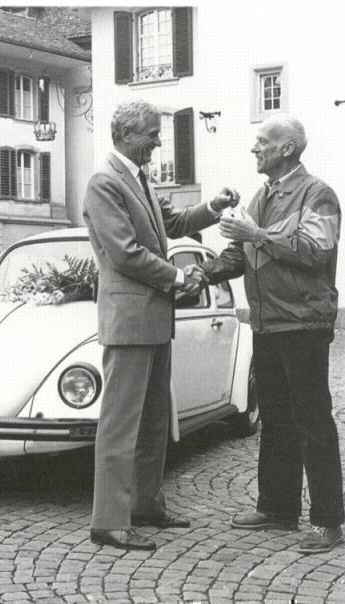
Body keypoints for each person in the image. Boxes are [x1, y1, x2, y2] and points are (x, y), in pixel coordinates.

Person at [83, 100, 239, 551]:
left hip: (153, 321)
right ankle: (108, 520)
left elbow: (172, 224)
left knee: (152, 421)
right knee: (120, 424)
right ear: (128, 134)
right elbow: (125, 252)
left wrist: (212, 206)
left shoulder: (138, 179)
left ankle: (145, 504)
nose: (158, 140)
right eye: (152, 132)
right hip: (131, 322)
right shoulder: (104, 182)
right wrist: (178, 276)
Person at [201, 114, 344, 554]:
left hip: (303, 325)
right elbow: (236, 254)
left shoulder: (318, 194)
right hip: (266, 324)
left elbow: (317, 252)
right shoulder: (263, 196)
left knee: (312, 421)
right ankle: (278, 508)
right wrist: (194, 276)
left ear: (287, 148)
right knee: (277, 421)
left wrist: (256, 234)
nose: (254, 149)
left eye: (262, 142)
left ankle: (328, 521)